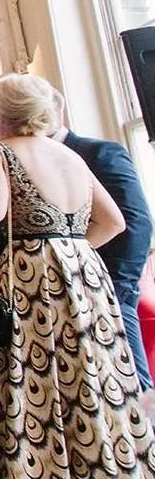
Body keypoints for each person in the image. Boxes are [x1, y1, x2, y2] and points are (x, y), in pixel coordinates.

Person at [0, 74, 155, 479]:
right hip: (84, 275)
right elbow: (113, 222)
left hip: (33, 275)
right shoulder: (69, 155)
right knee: (92, 374)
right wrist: (72, 251)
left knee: (36, 375)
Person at [49, 89, 154, 390]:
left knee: (129, 367)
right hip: (71, 283)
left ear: (55, 110)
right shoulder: (36, 159)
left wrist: (118, 279)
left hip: (112, 278)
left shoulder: (97, 152)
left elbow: (136, 220)